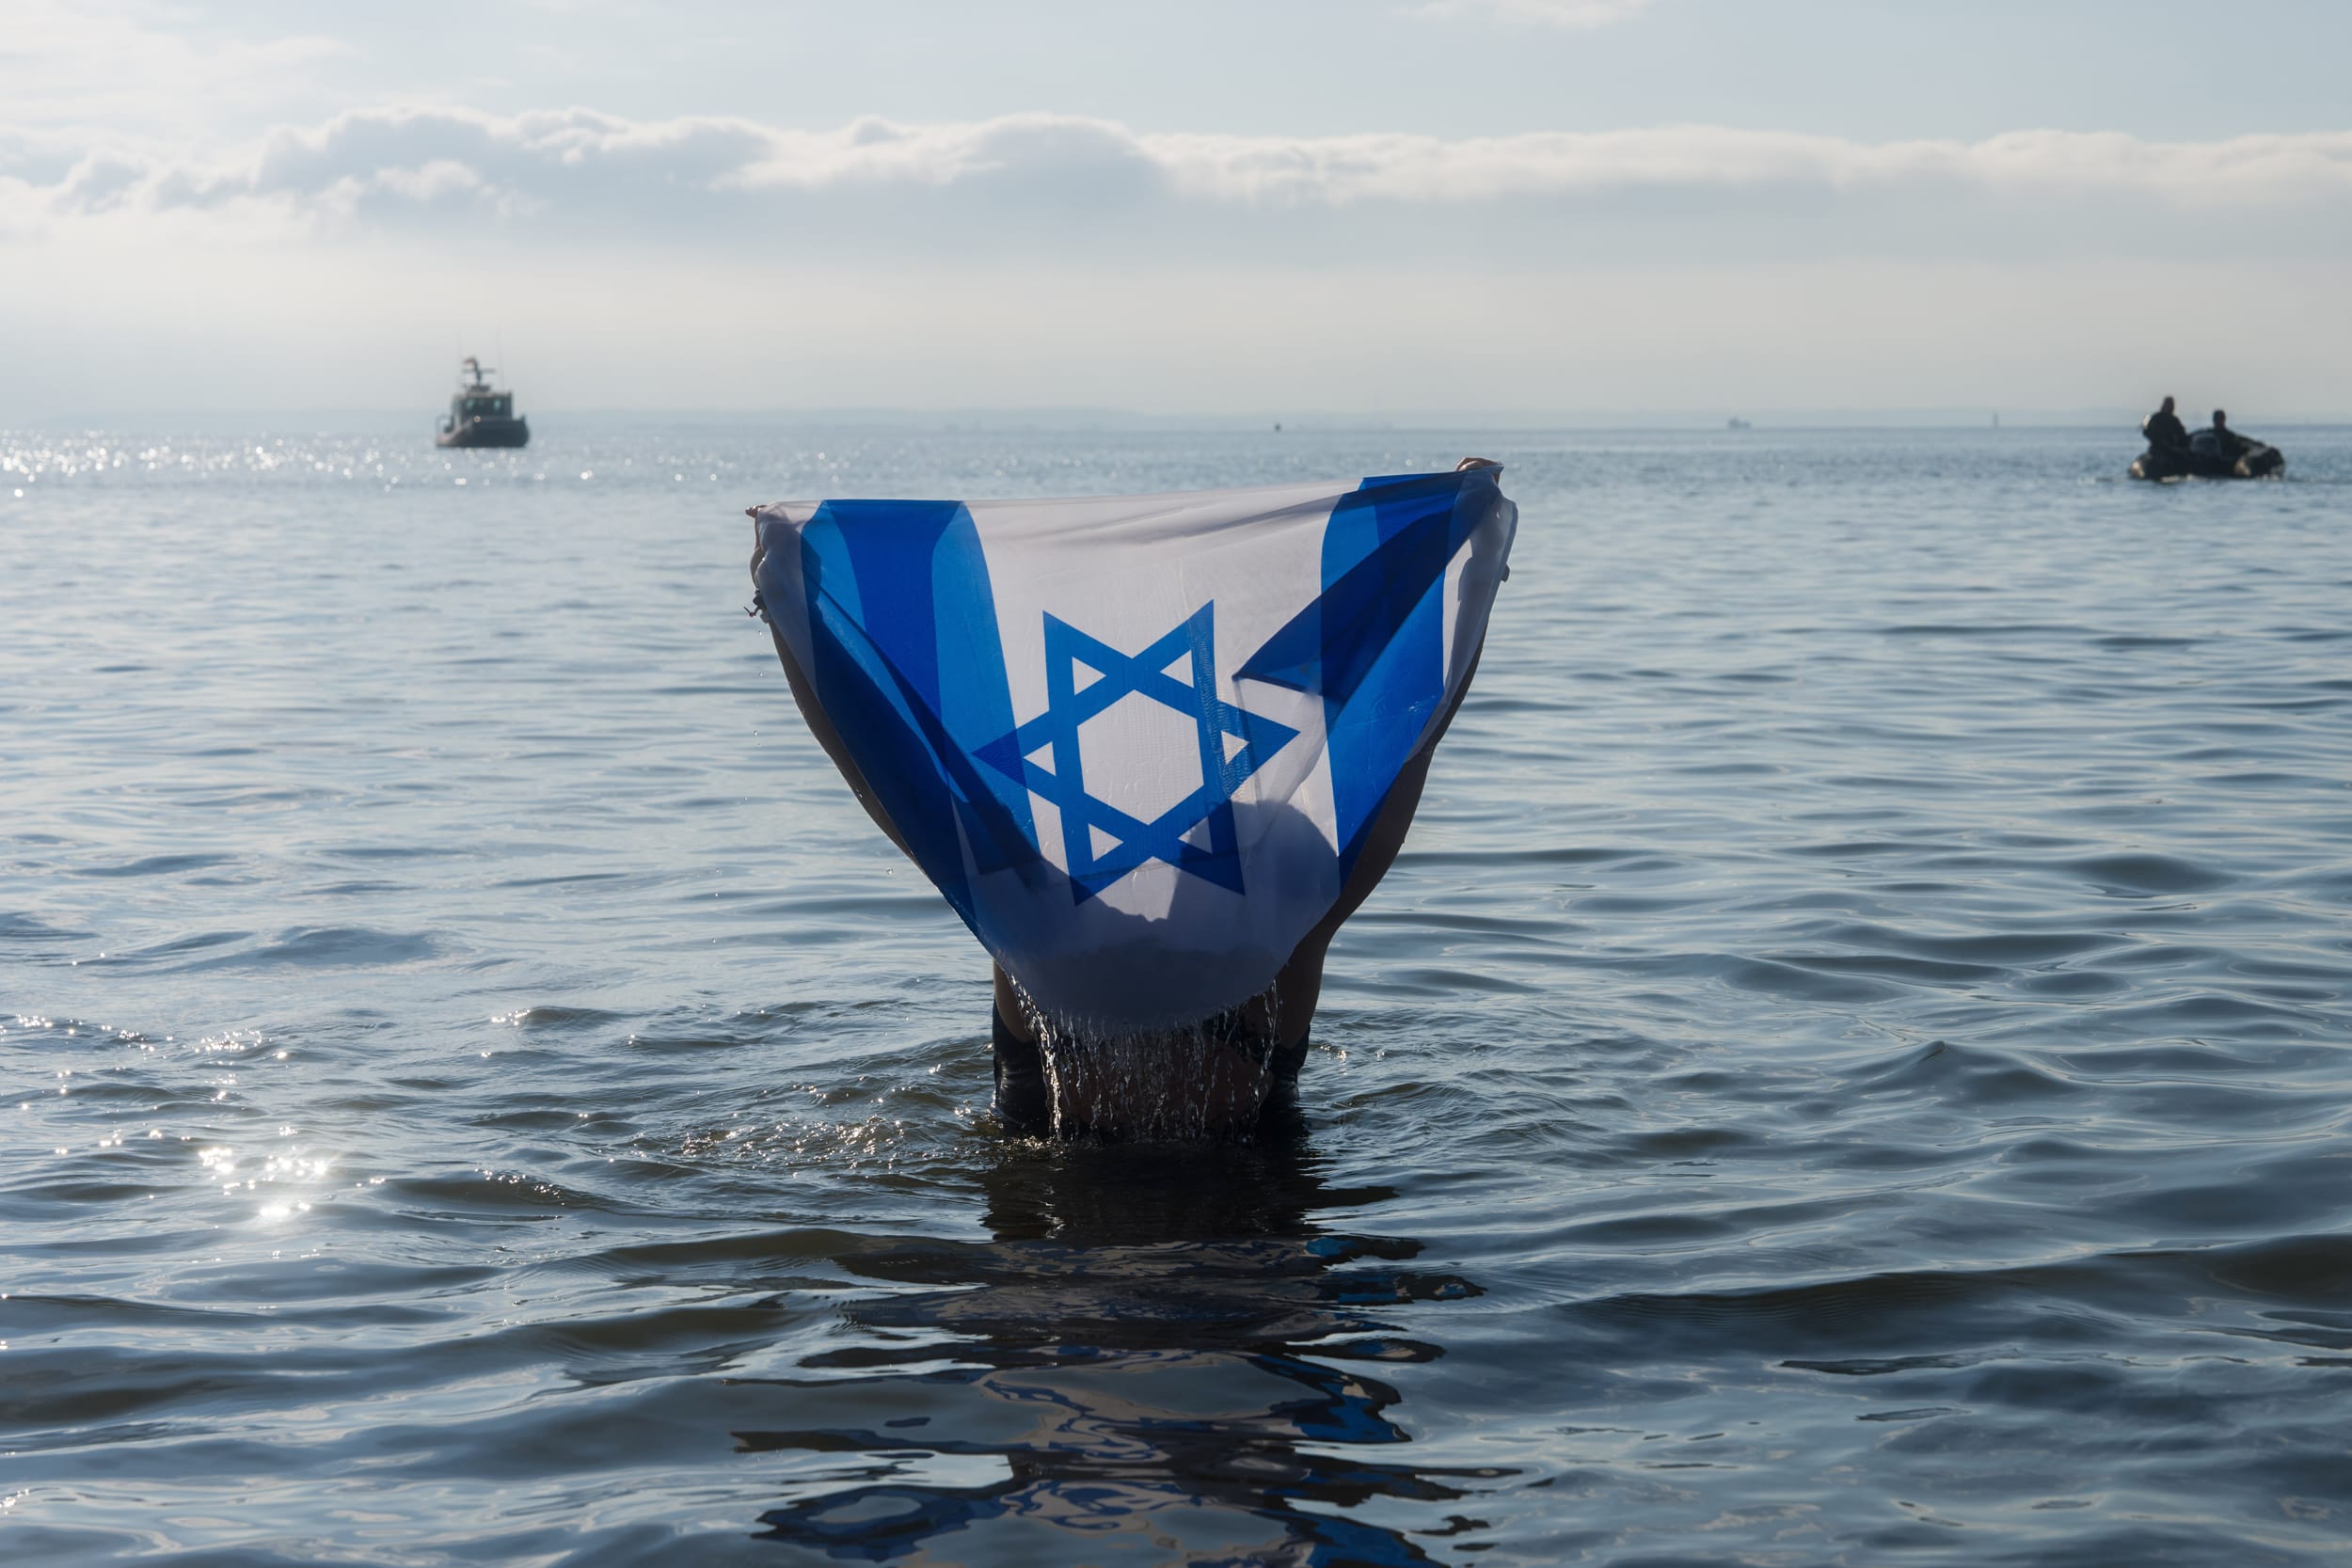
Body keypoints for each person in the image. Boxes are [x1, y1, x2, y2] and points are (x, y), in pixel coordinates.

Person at [755, 458, 1507, 1139]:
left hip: (1052, 1271)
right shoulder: (1282, 942)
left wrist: (792, 616)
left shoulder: (1036, 926)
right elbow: (1412, 739)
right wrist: (1474, 578)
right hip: (1257, 1260)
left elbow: (888, 775)